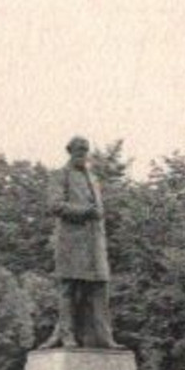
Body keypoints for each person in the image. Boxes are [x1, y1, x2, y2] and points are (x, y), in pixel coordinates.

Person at [40, 135, 120, 349]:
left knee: (99, 288)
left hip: (95, 244)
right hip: (72, 242)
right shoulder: (60, 175)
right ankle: (66, 335)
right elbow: (55, 205)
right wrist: (84, 211)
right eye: (79, 150)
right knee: (69, 288)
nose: (82, 154)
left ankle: (104, 337)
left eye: (85, 150)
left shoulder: (93, 178)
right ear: (70, 151)